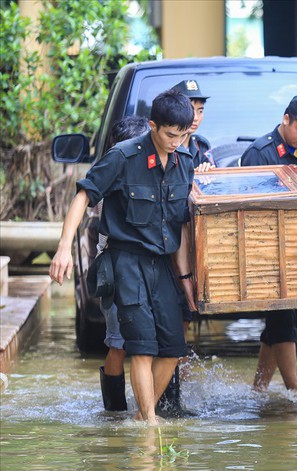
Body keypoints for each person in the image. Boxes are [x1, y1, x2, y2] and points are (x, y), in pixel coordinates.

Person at [50, 89, 196, 425]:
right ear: (153, 126)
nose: (176, 142)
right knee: (141, 348)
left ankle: (141, 418)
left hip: (162, 266)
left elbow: (182, 228)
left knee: (173, 350)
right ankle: (148, 425)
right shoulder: (122, 156)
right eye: (170, 135)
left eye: (183, 136)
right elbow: (83, 195)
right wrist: (62, 248)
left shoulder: (184, 164)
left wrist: (186, 281)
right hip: (126, 261)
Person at [239, 94, 297, 391]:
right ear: (286, 118)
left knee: (283, 322)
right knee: (284, 321)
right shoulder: (259, 153)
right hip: (270, 254)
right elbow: (248, 208)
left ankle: (259, 389)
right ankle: (295, 390)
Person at [97, 116, 150, 412]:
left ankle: (154, 406)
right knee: (118, 343)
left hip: (146, 270)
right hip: (117, 272)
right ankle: (115, 412)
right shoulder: (111, 176)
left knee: (152, 345)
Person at [172, 79, 215, 171]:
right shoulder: (167, 147)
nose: (195, 118)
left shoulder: (202, 145)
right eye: (189, 110)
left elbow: (214, 180)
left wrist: (208, 170)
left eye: (200, 111)